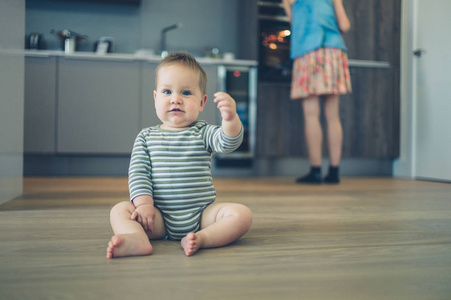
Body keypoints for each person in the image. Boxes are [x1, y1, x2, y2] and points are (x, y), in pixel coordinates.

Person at [107, 52, 253, 258]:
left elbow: (228, 143)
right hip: (158, 218)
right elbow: (139, 174)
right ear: (156, 98)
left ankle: (204, 238)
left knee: (242, 214)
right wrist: (144, 205)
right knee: (120, 210)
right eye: (167, 91)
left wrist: (230, 119)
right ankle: (137, 238)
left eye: (186, 93)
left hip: (202, 216)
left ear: (202, 103)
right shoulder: (146, 137)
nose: (176, 99)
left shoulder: (203, 132)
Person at [282, 0, 352, 184]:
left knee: (311, 115)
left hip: (308, 52)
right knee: (333, 116)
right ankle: (334, 172)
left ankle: (315, 171)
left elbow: (296, 26)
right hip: (333, 53)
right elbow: (344, 25)